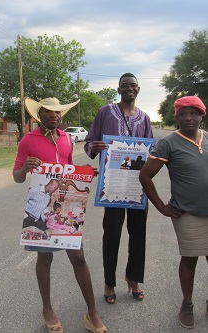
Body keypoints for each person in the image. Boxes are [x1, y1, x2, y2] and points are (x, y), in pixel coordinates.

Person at [13, 96, 108, 333]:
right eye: (48, 112)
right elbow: (17, 176)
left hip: (65, 207)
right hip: (41, 207)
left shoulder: (66, 138)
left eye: (57, 113)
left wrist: (85, 173)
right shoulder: (28, 140)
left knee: (79, 258)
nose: (54, 116)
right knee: (45, 259)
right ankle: (47, 309)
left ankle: (92, 313)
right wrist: (25, 168)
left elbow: (68, 169)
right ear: (39, 115)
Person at [139, 96, 208, 329]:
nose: (188, 117)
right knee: (189, 260)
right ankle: (187, 304)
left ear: (201, 115)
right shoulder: (168, 143)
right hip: (187, 213)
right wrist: (161, 206)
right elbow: (145, 175)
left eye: (193, 113)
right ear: (176, 117)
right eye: (183, 114)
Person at [84, 73, 153, 304]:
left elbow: (150, 152)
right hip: (112, 186)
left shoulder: (144, 118)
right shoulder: (105, 112)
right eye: (125, 85)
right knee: (112, 234)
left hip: (136, 187)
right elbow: (88, 142)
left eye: (133, 85)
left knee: (138, 234)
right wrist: (96, 145)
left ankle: (133, 278)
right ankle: (109, 282)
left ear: (138, 89)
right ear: (119, 88)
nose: (129, 88)